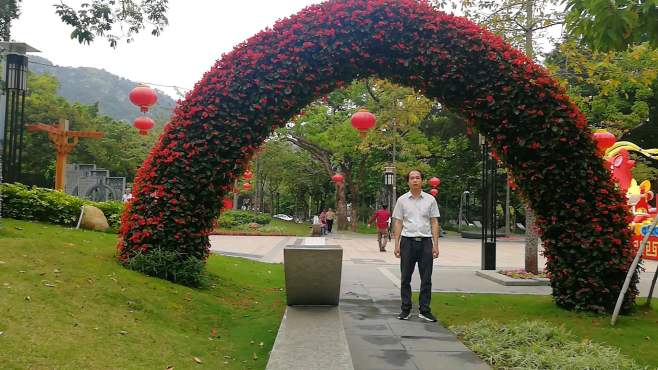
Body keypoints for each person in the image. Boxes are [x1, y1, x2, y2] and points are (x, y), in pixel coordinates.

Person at [392, 169, 440, 322]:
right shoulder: (402, 200)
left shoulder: (430, 200)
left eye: (418, 178)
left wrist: (435, 244)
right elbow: (398, 222)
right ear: (408, 182)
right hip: (407, 242)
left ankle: (424, 310)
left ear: (422, 181)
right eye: (412, 178)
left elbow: (434, 222)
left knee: (426, 278)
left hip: (425, 242)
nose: (415, 180)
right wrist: (397, 244)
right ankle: (405, 309)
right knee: (405, 278)